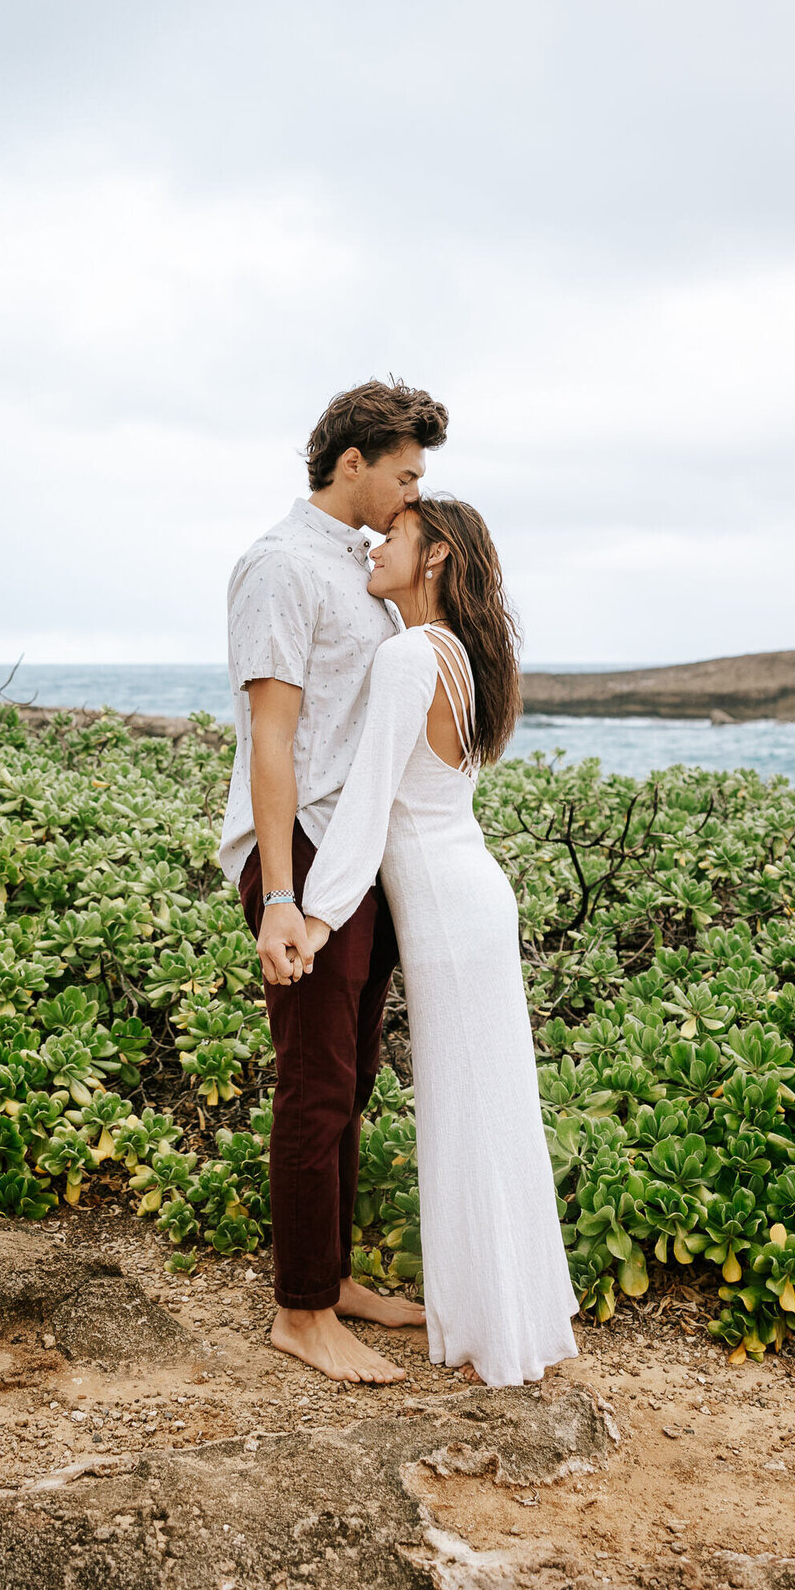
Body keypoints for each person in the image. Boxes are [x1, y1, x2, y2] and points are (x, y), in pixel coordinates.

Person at [300, 497, 579, 1387]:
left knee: (468, 1114)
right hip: (477, 898)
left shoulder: (406, 654)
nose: (377, 544)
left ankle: (496, 1332)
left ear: (435, 556)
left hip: (450, 920)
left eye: (398, 534)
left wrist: (314, 911)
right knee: (496, 1109)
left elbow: (368, 801)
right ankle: (512, 1316)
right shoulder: (460, 654)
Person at [220, 378, 448, 1384]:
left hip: (355, 854)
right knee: (315, 1082)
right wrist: (278, 893)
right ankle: (300, 1311)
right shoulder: (279, 566)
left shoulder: (357, 569)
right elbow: (271, 734)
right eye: (403, 473)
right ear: (352, 462)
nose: (411, 494)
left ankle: (333, 1277)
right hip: (303, 851)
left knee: (349, 1077)